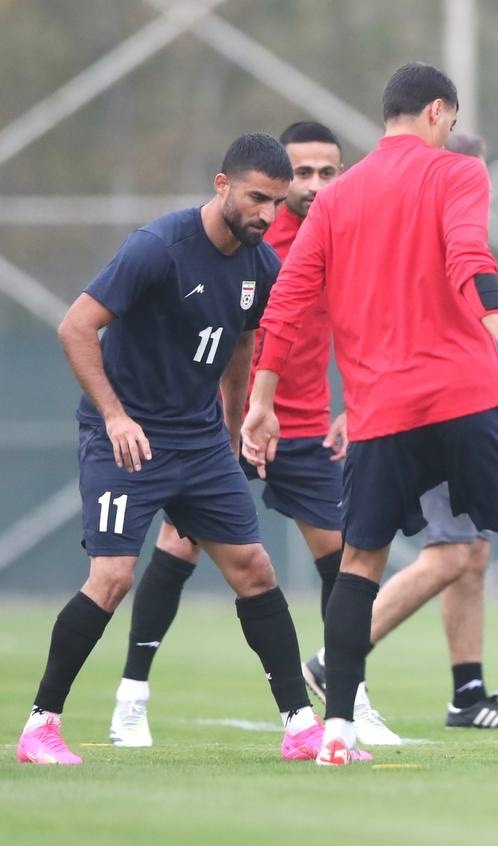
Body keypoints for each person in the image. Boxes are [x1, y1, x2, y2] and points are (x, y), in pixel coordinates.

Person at [243, 63, 498, 766]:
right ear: (440, 113)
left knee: (359, 563)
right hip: (467, 393)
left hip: (381, 410)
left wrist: (260, 403)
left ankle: (342, 728)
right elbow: (468, 256)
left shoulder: (334, 200)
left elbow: (286, 302)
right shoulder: (456, 174)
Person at [17, 133, 334, 765]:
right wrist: (114, 417)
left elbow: (244, 344)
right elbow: (76, 327)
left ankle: (301, 724)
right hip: (128, 441)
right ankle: (40, 727)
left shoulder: (257, 265)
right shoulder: (157, 248)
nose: (266, 215)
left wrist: (240, 416)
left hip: (200, 441)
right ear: (221, 186)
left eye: (274, 203)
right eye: (255, 198)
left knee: (254, 569)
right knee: (112, 578)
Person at [98, 121, 404, 747]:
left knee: (346, 558)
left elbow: (365, 321)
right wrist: (229, 420)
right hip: (224, 424)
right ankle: (132, 695)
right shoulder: (250, 240)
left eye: (329, 172)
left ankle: (351, 697)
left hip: (307, 424)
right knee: (177, 551)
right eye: (304, 174)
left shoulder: (345, 235)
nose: (315, 186)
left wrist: (359, 402)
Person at [302, 130, 498, 731]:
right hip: (432, 414)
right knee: (453, 551)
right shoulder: (430, 224)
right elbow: (387, 320)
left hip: (451, 404)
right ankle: (337, 659)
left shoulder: (452, 230)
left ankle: (468, 692)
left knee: (472, 553)